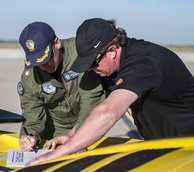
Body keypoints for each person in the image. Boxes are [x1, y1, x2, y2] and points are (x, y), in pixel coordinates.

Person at [25, 18, 194, 166]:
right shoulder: (109, 66)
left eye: (92, 63)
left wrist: (58, 154)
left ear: (112, 51)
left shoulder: (144, 63)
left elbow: (109, 111)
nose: (90, 69)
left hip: (188, 148)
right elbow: (100, 105)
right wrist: (72, 134)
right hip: (165, 147)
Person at [17, 21, 105, 152]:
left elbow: (92, 99)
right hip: (53, 137)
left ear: (56, 43)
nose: (42, 67)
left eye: (46, 59)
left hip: (87, 128)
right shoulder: (30, 77)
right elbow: (32, 115)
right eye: (36, 62)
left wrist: (78, 136)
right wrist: (30, 136)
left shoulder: (81, 53)